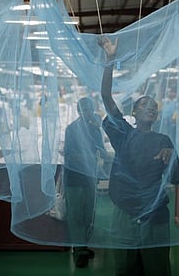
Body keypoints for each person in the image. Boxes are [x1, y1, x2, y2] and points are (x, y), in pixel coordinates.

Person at [100, 37, 179, 276]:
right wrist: (109, 61)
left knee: (156, 268)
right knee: (125, 268)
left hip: (154, 217)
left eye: (154, 106)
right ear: (133, 112)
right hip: (125, 212)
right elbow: (106, 97)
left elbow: (177, 178)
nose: (151, 107)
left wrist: (172, 157)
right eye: (145, 104)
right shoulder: (123, 134)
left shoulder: (163, 141)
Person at [63, 97, 108, 268]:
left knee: (88, 214)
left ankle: (83, 245)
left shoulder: (94, 129)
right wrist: (89, 157)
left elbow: (101, 151)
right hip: (74, 179)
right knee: (76, 215)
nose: (88, 112)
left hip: (89, 178)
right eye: (84, 109)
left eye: (90, 109)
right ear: (78, 111)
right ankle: (79, 250)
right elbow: (70, 155)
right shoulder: (71, 129)